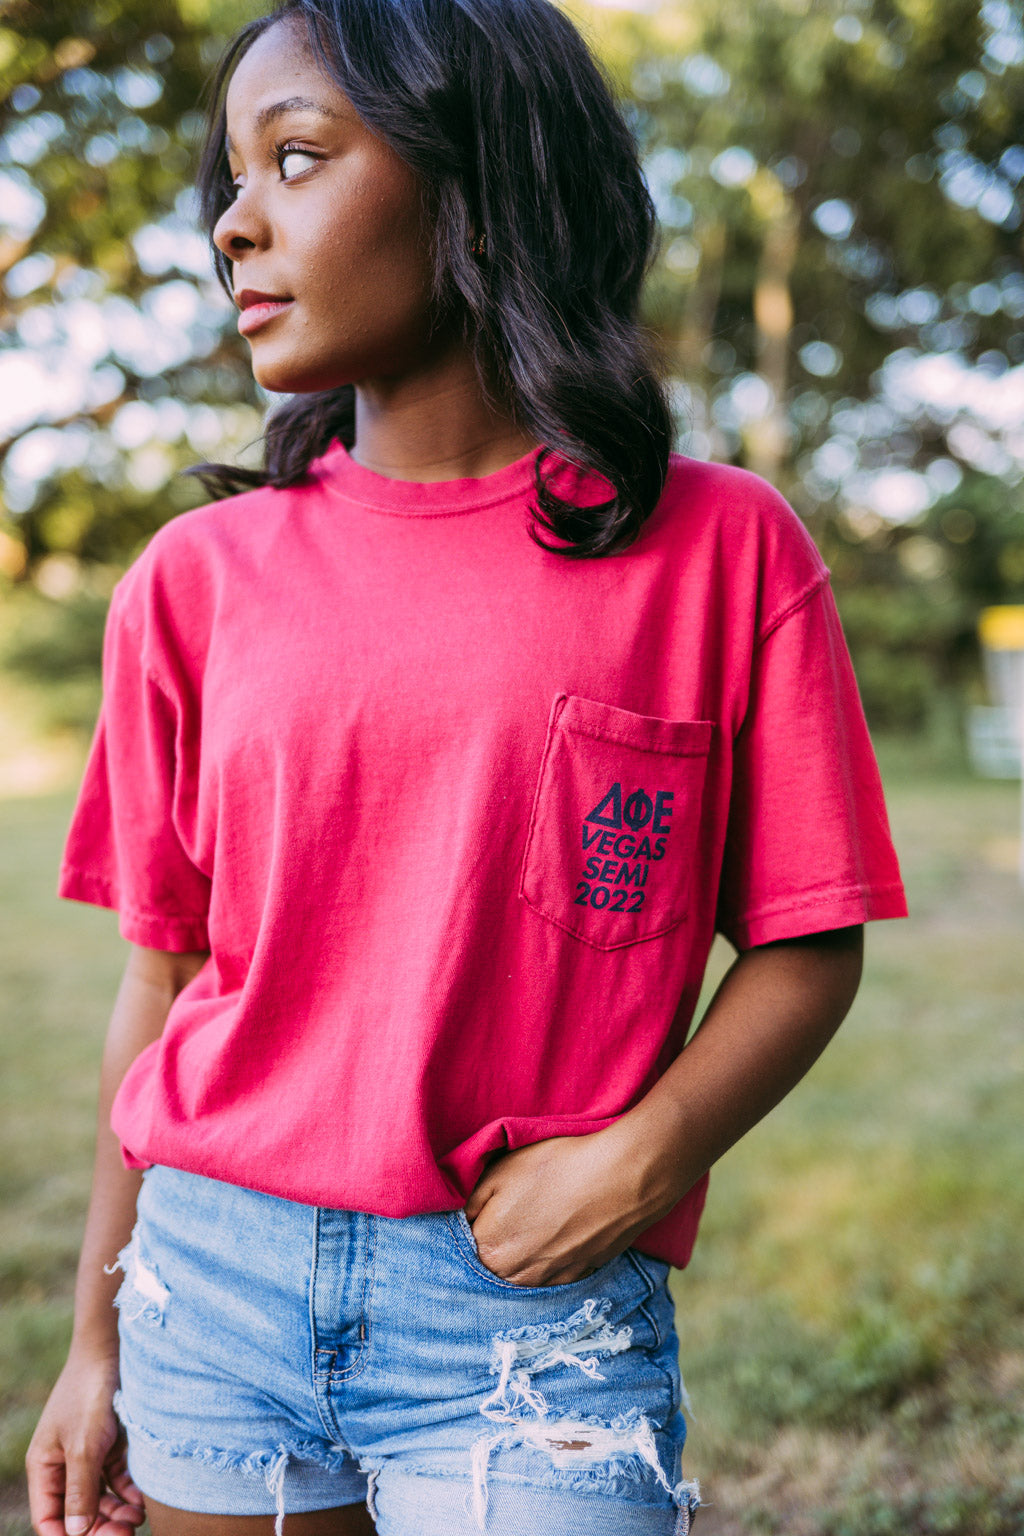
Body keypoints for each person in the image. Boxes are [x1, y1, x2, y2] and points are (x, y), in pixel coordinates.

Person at [26, 1, 908, 1534]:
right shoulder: (190, 582)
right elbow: (162, 980)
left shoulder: (723, 551)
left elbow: (806, 940)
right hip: (210, 1297)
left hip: (527, 1324)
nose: (234, 223)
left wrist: (643, 1158)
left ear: (481, 183)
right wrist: (96, 1338)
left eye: (298, 158)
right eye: (230, 179)